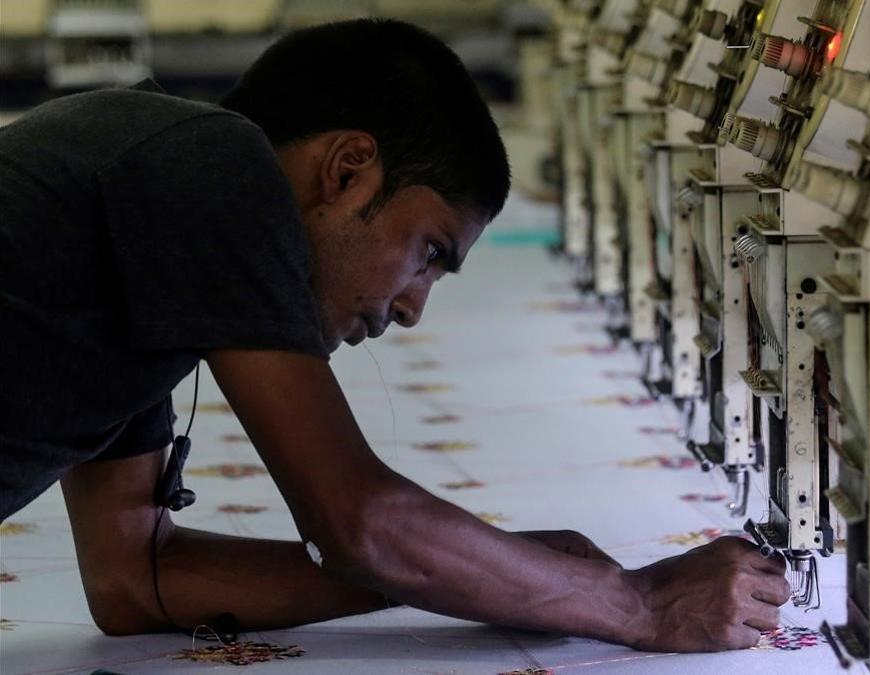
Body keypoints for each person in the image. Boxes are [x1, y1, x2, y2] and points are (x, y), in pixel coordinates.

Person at [0, 19, 789, 652]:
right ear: (348, 170)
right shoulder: (211, 162)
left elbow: (140, 581)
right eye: (430, 254)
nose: (412, 308)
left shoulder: (143, 236)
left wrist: (484, 572)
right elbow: (357, 523)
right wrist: (637, 603)